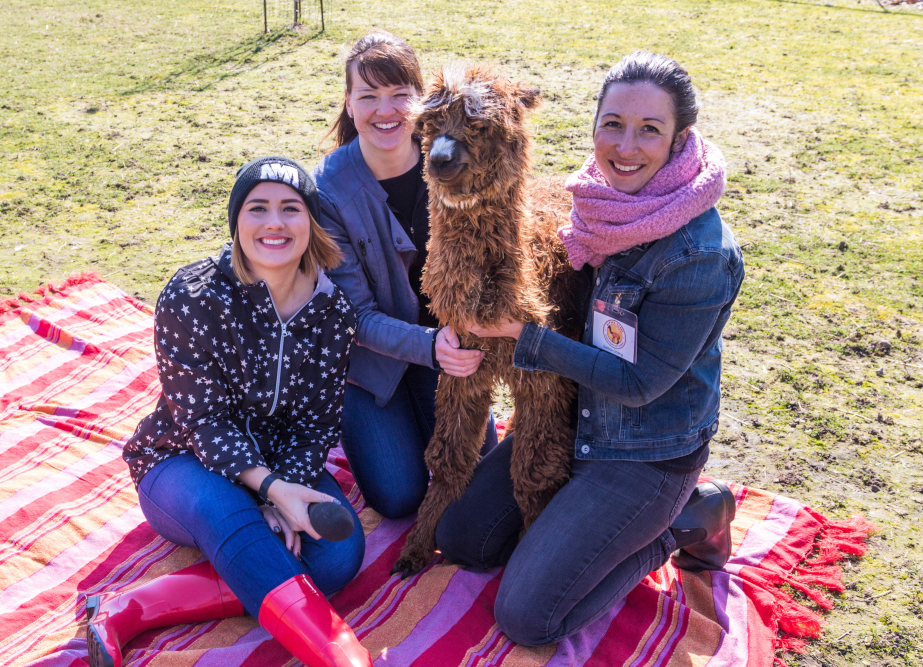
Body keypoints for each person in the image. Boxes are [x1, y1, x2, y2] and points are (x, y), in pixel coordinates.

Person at [435, 52, 745, 646]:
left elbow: (639, 383)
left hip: (644, 453)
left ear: (680, 139)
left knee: (528, 617)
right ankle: (582, 531)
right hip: (573, 422)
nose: (626, 146)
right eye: (613, 124)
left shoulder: (699, 254)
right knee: (465, 537)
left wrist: (522, 337)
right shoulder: (596, 205)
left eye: (649, 130)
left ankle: (687, 520)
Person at [86, 157, 373, 667]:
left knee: (336, 555)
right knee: (229, 513)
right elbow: (202, 420)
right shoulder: (192, 294)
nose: (274, 223)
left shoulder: (334, 313)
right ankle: (346, 661)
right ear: (236, 221)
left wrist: (286, 488)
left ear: (311, 221)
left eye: (291, 208)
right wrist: (268, 489)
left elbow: (316, 424)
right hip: (179, 460)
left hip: (278, 465)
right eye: (257, 208)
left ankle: (128, 607)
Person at [314, 32, 497, 520]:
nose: (385, 109)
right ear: (350, 105)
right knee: (398, 496)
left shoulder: (453, 162)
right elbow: (355, 316)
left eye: (399, 94)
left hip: (452, 350)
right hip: (373, 362)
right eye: (368, 95)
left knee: (479, 482)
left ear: (422, 101)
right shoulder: (328, 192)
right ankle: (354, 414)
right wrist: (430, 347)